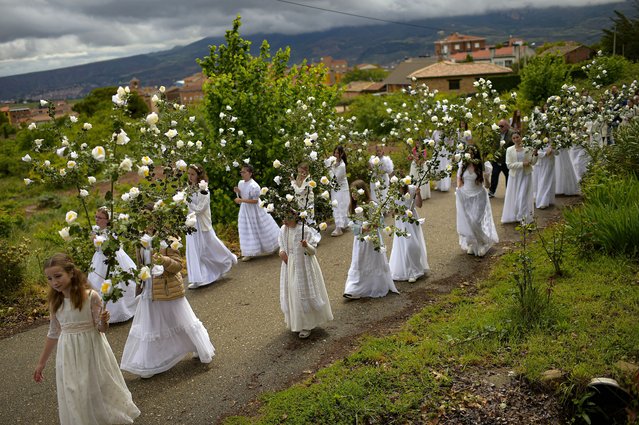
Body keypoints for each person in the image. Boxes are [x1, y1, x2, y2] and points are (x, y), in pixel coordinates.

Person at [34, 253, 140, 425]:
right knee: (74, 389)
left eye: (58, 276)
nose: (54, 282)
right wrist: (41, 363)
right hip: (68, 351)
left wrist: (103, 321)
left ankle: (103, 416)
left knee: (94, 385)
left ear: (71, 273)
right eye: (49, 278)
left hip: (91, 347)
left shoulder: (91, 297)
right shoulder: (55, 303)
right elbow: (53, 332)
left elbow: (100, 329)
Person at [120, 236, 215, 379]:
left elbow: (178, 266)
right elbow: (141, 265)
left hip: (168, 288)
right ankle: (151, 362)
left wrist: (162, 260)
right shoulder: (140, 239)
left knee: (180, 320)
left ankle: (196, 346)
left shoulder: (168, 239)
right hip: (149, 290)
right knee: (151, 326)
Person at [278, 212, 333, 339]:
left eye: (288, 218)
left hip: (304, 265)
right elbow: (281, 244)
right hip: (289, 265)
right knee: (292, 292)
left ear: (296, 218)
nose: (284, 221)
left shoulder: (304, 230)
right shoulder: (283, 230)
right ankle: (297, 322)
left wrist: (306, 245)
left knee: (301, 292)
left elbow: (313, 251)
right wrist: (281, 252)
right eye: (283, 218)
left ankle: (307, 324)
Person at [343, 180, 399, 299]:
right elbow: (352, 224)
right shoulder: (353, 207)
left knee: (372, 261)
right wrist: (361, 228)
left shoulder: (372, 205)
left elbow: (380, 222)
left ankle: (375, 285)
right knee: (359, 261)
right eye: (351, 192)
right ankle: (353, 288)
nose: (353, 195)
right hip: (360, 240)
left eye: (355, 192)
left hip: (373, 239)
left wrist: (372, 225)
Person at [185, 164, 237, 289]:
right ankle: (200, 278)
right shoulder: (188, 189)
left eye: (193, 174)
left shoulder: (204, 190)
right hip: (191, 223)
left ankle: (228, 258)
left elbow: (200, 208)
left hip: (201, 223)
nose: (190, 176)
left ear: (199, 176)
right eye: (189, 174)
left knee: (210, 245)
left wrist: (186, 204)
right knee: (195, 250)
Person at [87, 207, 138, 323]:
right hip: (99, 260)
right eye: (96, 217)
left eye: (99, 218)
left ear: (107, 220)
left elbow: (109, 247)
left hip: (112, 258)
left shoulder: (112, 232)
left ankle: (119, 312)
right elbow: (97, 248)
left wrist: (98, 240)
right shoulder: (95, 229)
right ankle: (100, 312)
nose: (96, 219)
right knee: (97, 282)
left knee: (116, 283)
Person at [455, 146, 499, 256]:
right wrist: (459, 191)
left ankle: (482, 243)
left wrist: (486, 177)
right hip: (465, 196)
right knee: (469, 222)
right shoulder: (462, 165)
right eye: (468, 153)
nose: (470, 156)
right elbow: (459, 180)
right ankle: (472, 243)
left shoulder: (483, 166)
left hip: (479, 195)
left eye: (472, 153)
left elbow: (488, 185)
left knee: (476, 221)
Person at [234, 164, 280, 261]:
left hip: (255, 209)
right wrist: (238, 192)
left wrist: (241, 200)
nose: (242, 174)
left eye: (244, 172)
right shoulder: (241, 183)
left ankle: (276, 245)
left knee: (262, 227)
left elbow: (255, 201)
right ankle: (248, 252)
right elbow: (243, 195)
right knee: (246, 229)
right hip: (245, 210)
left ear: (250, 173)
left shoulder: (254, 186)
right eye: (241, 172)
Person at [389, 180, 430, 282]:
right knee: (405, 246)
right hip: (401, 222)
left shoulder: (412, 189)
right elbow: (392, 212)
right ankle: (410, 271)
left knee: (413, 245)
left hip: (412, 220)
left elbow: (419, 205)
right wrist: (397, 210)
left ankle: (415, 270)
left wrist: (418, 194)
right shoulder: (392, 193)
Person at [501, 132, 537, 224]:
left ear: (521, 137)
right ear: (512, 140)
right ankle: (515, 214)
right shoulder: (509, 150)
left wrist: (535, 155)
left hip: (526, 175)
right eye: (514, 138)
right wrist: (522, 164)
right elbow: (509, 165)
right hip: (515, 176)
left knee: (522, 196)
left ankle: (523, 218)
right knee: (515, 197)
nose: (516, 139)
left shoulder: (528, 148)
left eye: (517, 137)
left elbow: (533, 162)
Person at [327, 146, 350, 236]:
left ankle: (339, 228)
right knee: (337, 205)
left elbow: (334, 179)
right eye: (335, 152)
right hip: (335, 188)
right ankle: (341, 225)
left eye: (337, 153)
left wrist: (329, 168)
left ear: (342, 154)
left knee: (340, 204)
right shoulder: (334, 162)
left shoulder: (342, 166)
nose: (335, 155)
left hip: (341, 188)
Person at [489, 119, 514, 198]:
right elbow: (492, 144)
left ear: (506, 126)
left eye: (502, 126)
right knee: (494, 175)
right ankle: (491, 191)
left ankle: (509, 192)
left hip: (507, 159)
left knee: (508, 176)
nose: (500, 128)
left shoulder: (512, 133)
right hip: (497, 159)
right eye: (498, 126)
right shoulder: (496, 133)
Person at [533, 141, 557, 209]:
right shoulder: (536, 141)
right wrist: (545, 154)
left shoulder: (552, 142)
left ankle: (547, 200)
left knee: (548, 182)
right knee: (541, 182)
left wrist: (553, 149)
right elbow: (535, 152)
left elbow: (557, 153)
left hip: (549, 164)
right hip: (540, 165)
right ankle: (541, 201)